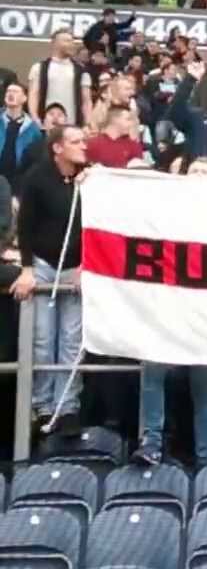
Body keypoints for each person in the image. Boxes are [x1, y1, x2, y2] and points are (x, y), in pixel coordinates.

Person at [132, 157, 207, 468]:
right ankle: (152, 441)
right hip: (168, 309)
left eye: (204, 172)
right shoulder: (166, 212)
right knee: (152, 373)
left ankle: (205, 457)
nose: (197, 175)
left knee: (203, 390)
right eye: (193, 170)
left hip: (206, 314)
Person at [11, 125, 87, 436]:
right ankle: (42, 406)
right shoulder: (37, 178)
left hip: (76, 269)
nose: (84, 146)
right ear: (57, 148)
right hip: (43, 265)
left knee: (72, 341)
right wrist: (27, 268)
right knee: (42, 340)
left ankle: (66, 407)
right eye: (76, 141)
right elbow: (26, 225)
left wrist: (88, 265)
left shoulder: (90, 179)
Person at [28, 30, 91, 127]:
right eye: (67, 41)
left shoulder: (82, 71)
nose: (72, 44)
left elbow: (86, 100)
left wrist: (87, 123)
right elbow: (33, 95)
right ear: (54, 44)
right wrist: (35, 118)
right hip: (46, 126)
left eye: (72, 41)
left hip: (72, 126)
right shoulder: (38, 68)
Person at [0, 84, 42, 189]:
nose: (10, 94)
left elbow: (35, 161)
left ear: (24, 98)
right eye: (8, 91)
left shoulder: (33, 129)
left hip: (18, 181)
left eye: (15, 92)